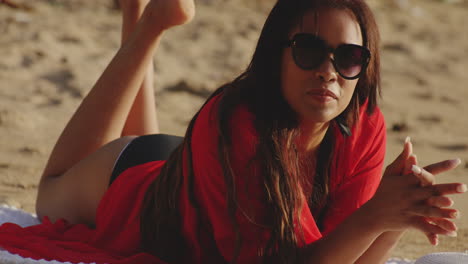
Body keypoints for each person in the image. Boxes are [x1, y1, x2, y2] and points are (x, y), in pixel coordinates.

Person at [0, 0, 465, 263]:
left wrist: (396, 215)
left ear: (363, 69)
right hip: (133, 180)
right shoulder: (235, 120)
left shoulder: (364, 127)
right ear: (274, 57)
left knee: (181, 190)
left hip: (197, 181)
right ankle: (147, 28)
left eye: (347, 59)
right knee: (50, 191)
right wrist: (374, 217)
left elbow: (349, 261)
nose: (329, 71)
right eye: (308, 50)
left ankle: (148, 13)